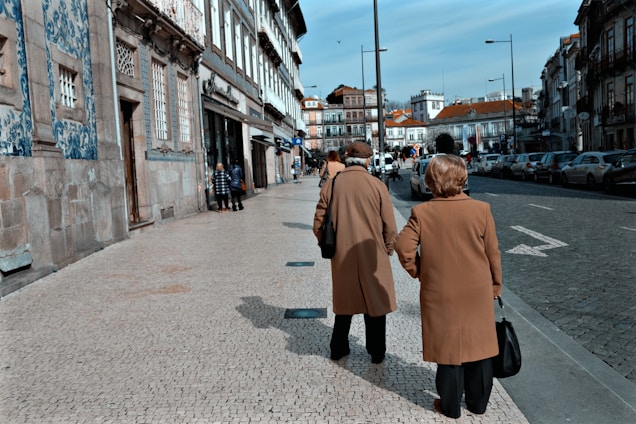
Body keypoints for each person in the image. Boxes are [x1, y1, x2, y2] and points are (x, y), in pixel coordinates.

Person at [394, 154, 502, 419]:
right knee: (480, 346)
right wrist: (496, 283)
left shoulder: (422, 212)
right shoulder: (481, 209)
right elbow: (493, 253)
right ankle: (478, 404)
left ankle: (451, 406)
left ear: (432, 181)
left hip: (439, 290)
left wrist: (418, 270)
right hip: (477, 289)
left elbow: (402, 246)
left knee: (449, 348)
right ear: (462, 178)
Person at [313, 141, 398, 364]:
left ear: (348, 159)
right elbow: (389, 223)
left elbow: (318, 222)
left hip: (343, 253)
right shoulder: (377, 185)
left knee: (345, 304)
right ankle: (377, 351)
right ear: (367, 160)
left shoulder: (332, 185)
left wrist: (327, 244)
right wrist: (388, 247)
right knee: (375, 305)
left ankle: (339, 347)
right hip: (373, 251)